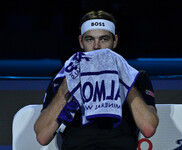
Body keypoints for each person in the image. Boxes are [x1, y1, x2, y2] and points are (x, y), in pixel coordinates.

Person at [34, 10, 159, 150]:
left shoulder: (137, 77)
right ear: (81, 42)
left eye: (104, 39)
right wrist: (66, 86)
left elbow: (148, 129)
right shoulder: (63, 77)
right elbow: (42, 136)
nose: (96, 46)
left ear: (115, 41)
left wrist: (124, 78)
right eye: (89, 39)